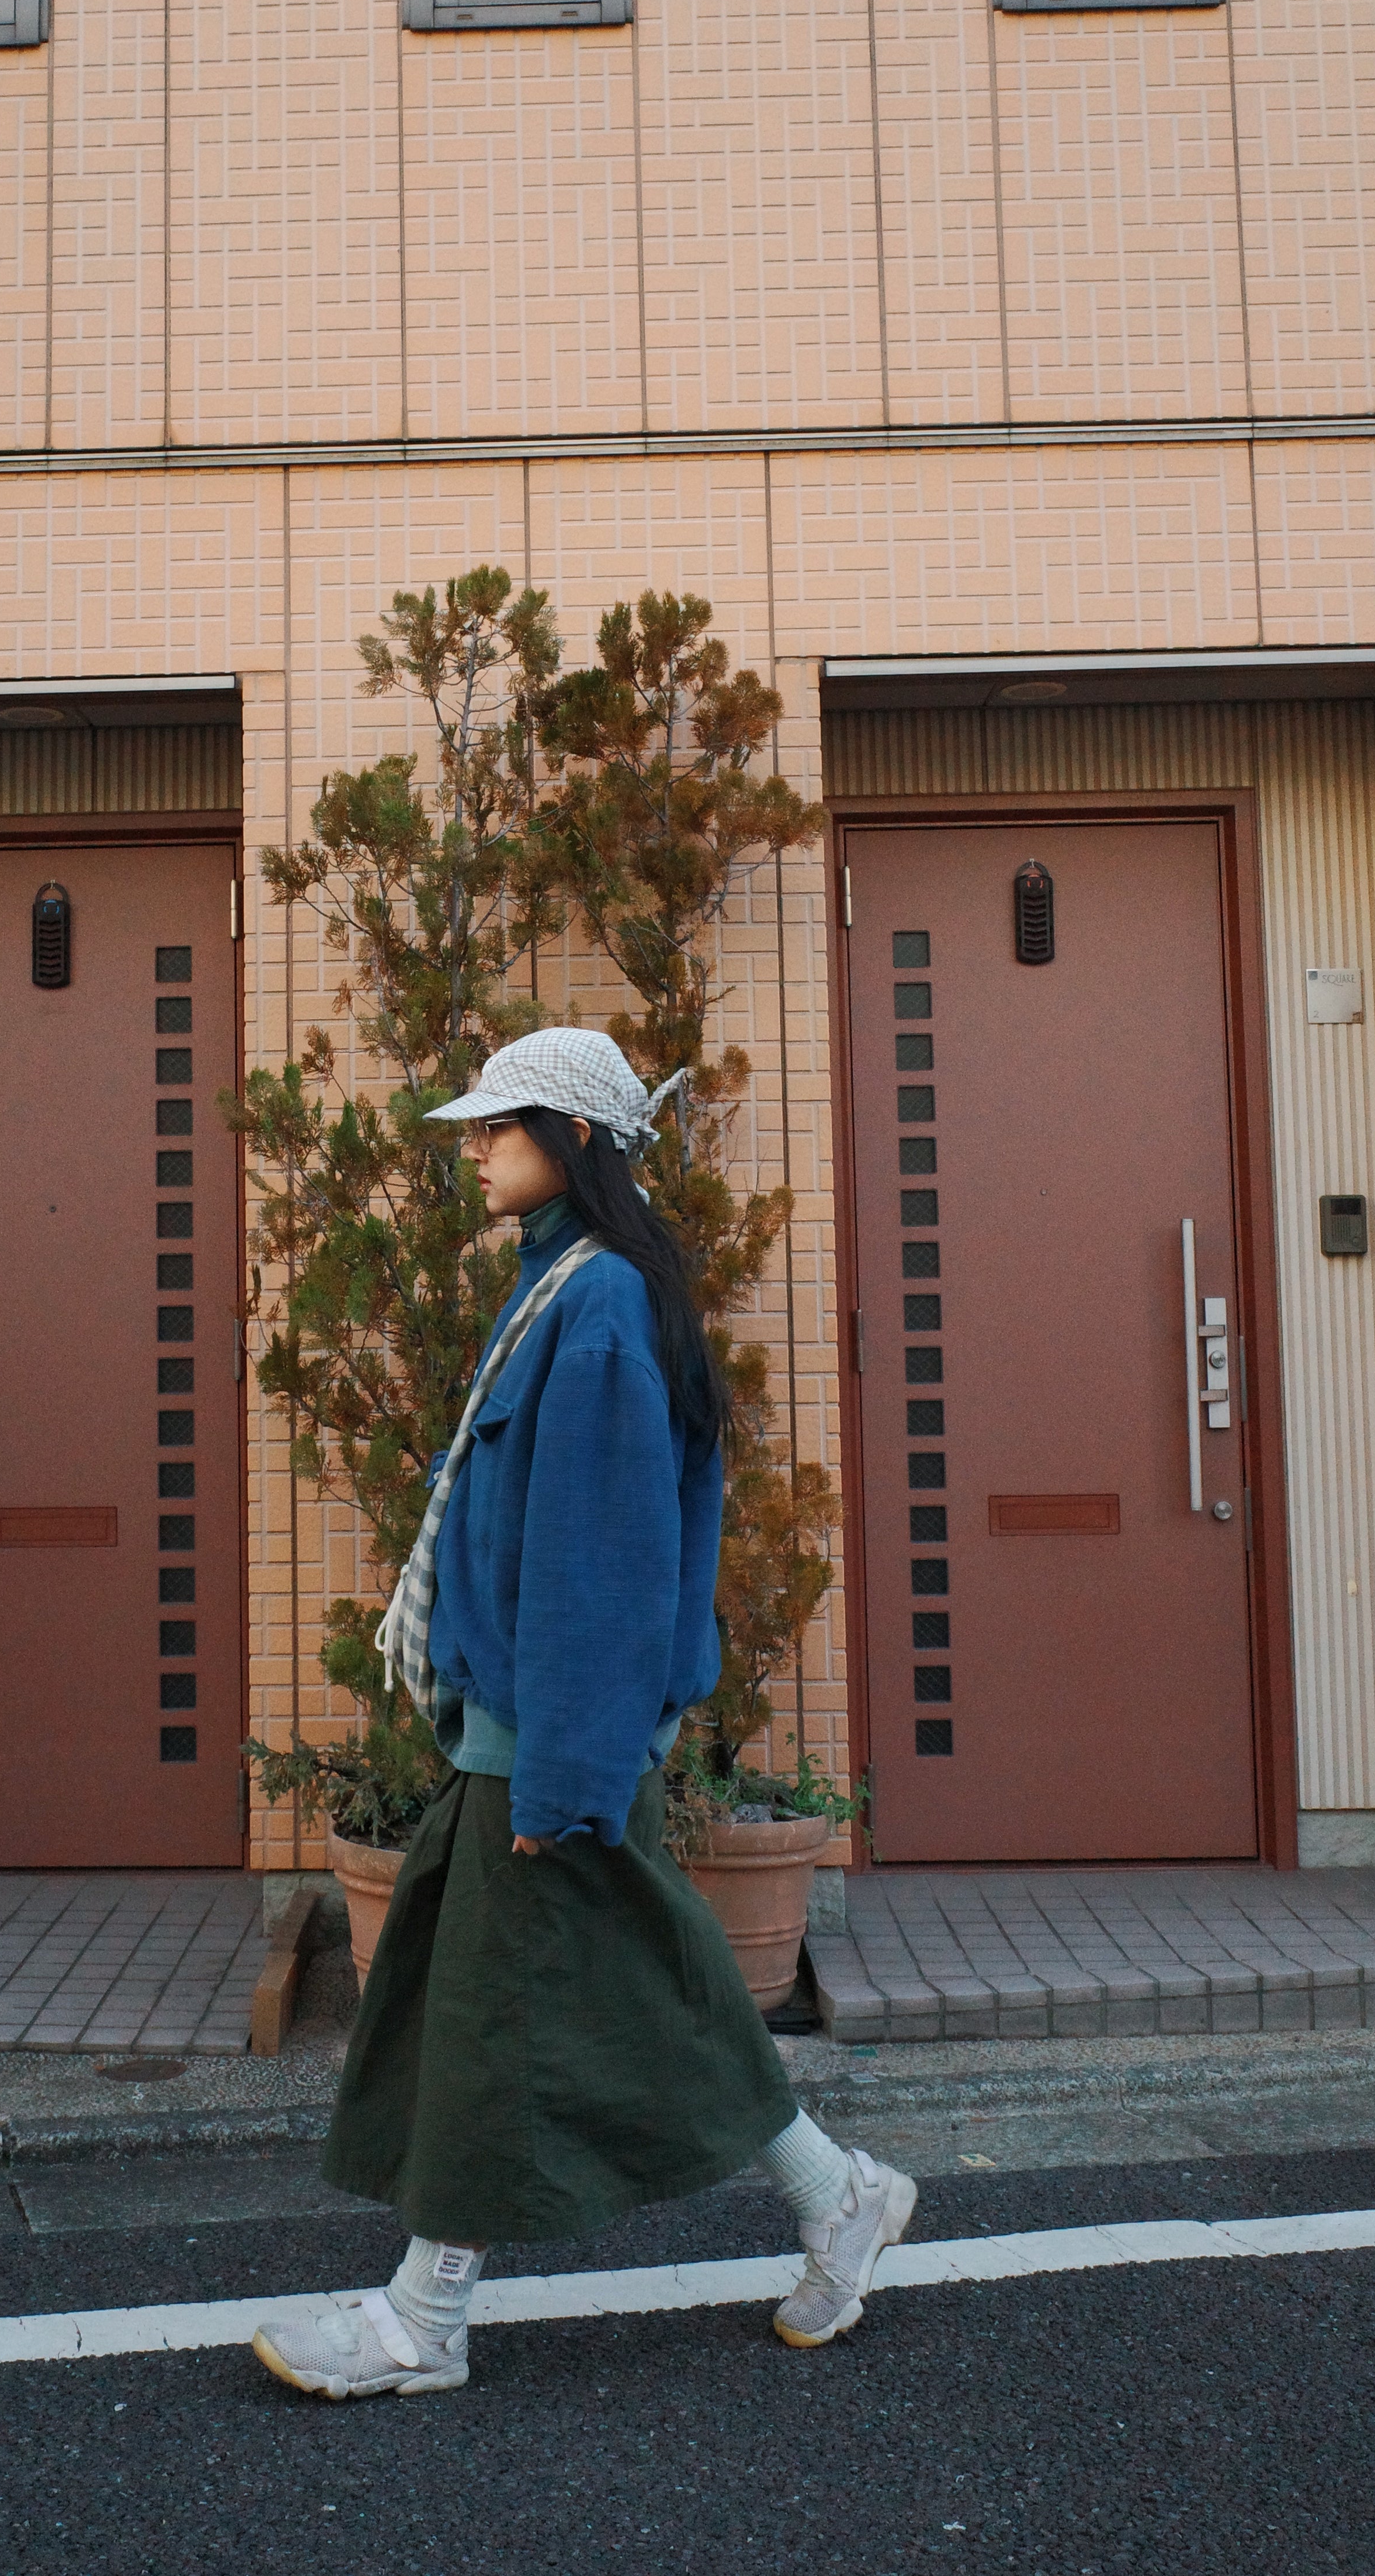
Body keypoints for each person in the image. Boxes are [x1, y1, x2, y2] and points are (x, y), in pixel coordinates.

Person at [251, 1029, 914, 2401]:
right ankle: (837, 2193)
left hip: (544, 1739)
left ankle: (425, 2320)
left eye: (504, 1123)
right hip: (528, 1728)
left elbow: (597, 1568)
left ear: (578, 1140)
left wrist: (559, 1776)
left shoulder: (597, 1305)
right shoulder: (563, 1285)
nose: (477, 1145)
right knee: (632, 1988)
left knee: (491, 2009)